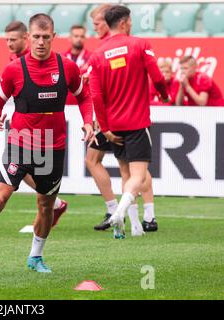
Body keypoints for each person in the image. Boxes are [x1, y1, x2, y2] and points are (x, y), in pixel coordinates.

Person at [0, 14, 94, 280]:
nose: (40, 42)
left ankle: (36, 257)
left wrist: (89, 122)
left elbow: (84, 96)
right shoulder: (14, 69)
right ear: (29, 38)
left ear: (54, 37)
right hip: (19, 143)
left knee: (46, 205)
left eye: (46, 37)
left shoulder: (68, 68)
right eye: (36, 37)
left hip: (54, 148)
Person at [89, 5, 169, 239]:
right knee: (139, 176)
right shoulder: (139, 45)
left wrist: (105, 128)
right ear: (124, 22)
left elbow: (96, 95)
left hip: (114, 127)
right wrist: (164, 95)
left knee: (125, 172)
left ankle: (135, 227)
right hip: (136, 122)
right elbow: (157, 76)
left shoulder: (97, 55)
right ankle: (120, 212)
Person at [5, 20, 68, 227]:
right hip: (23, 129)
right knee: (22, 171)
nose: (9, 44)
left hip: (46, 132)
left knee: (31, 174)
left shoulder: (37, 60)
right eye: (7, 40)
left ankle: (50, 209)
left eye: (13, 40)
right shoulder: (16, 62)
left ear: (25, 38)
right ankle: (55, 203)